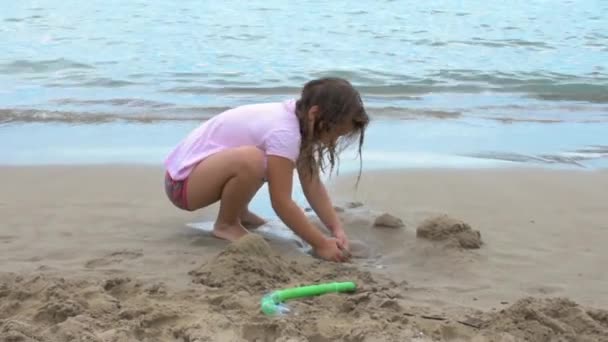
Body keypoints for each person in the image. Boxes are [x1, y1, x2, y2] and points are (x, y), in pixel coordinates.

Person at [164, 77, 369, 262]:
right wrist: (321, 244)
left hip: (197, 175)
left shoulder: (298, 118)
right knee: (254, 161)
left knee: (261, 160)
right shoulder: (285, 133)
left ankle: (239, 212)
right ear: (315, 114)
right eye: (336, 133)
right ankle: (226, 224)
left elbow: (312, 183)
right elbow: (281, 202)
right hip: (182, 185)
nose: (334, 141)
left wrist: (335, 228)